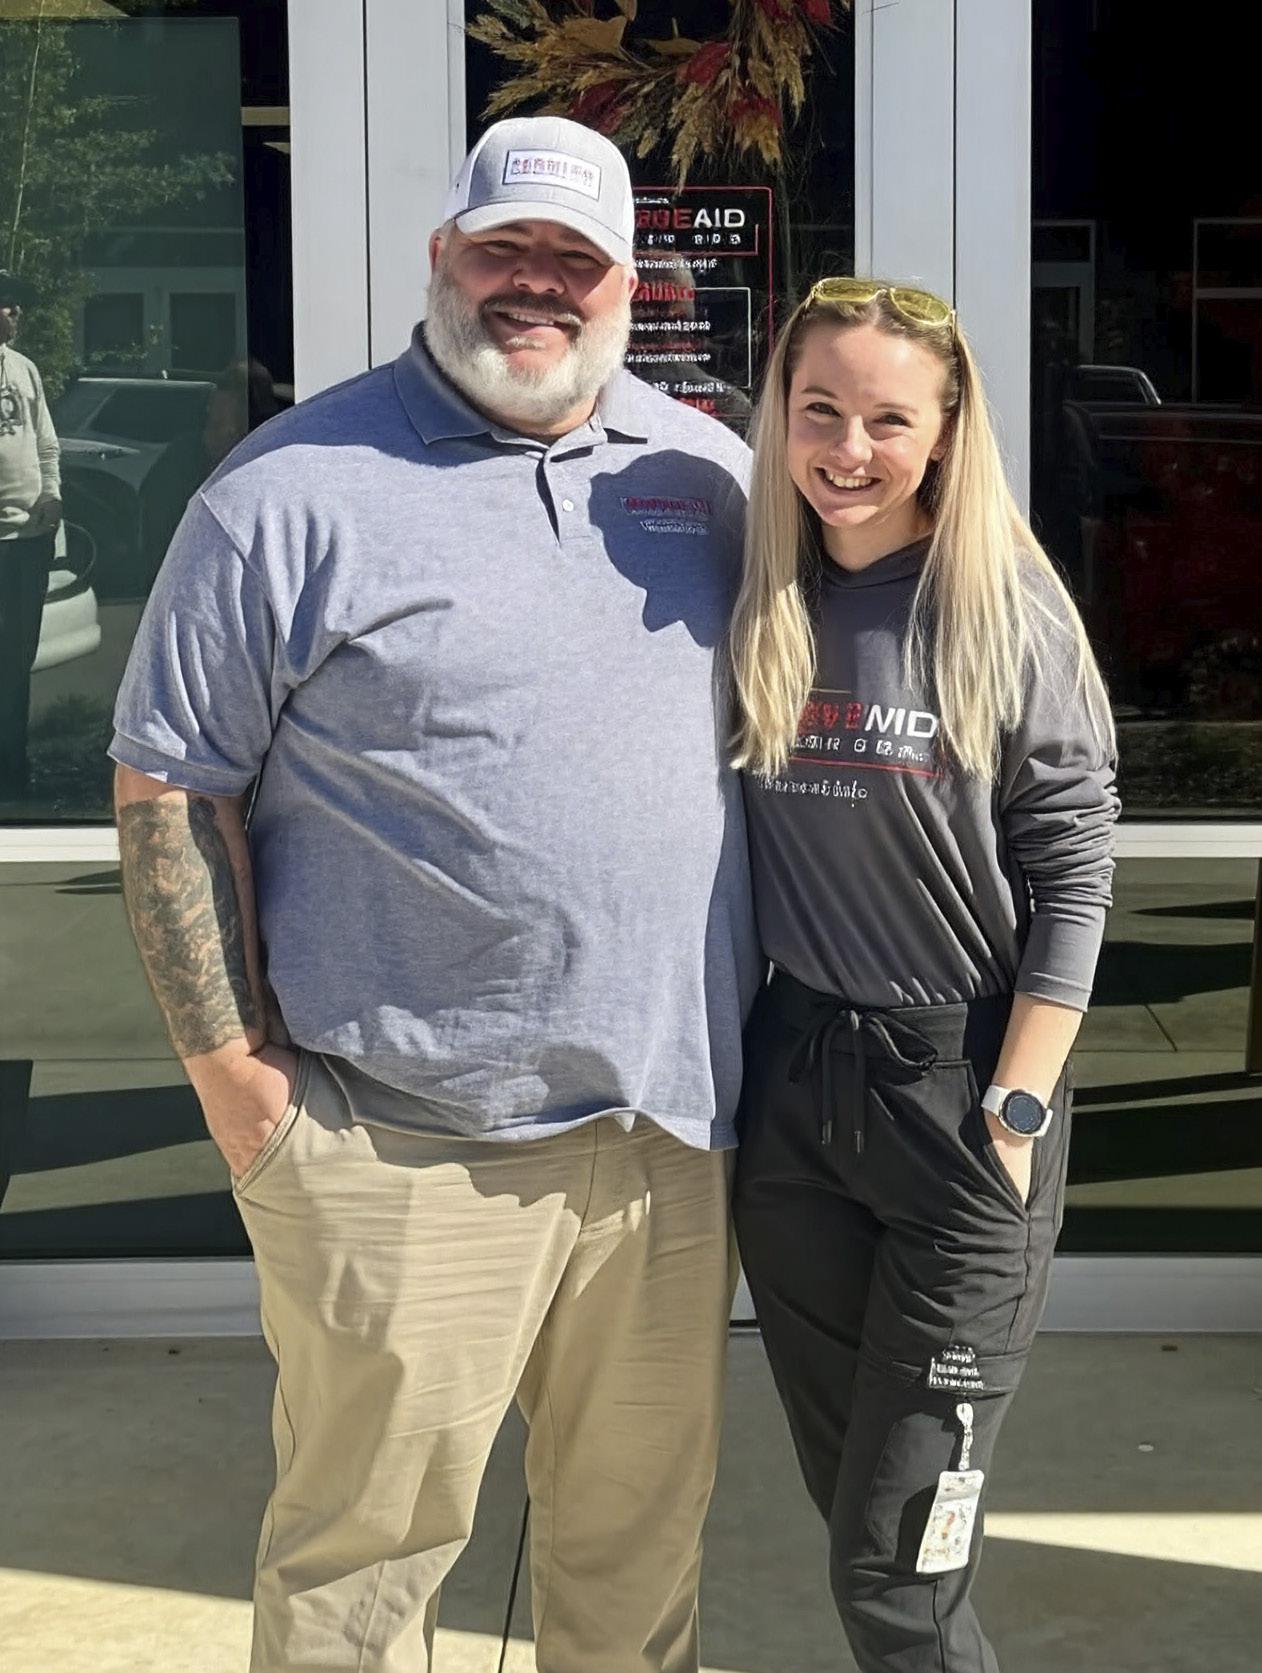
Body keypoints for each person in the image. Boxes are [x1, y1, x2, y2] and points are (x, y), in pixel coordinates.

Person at [109, 116, 760, 1673]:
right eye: (502, 247)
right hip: (399, 1144)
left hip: (666, 1144)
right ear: (442, 256)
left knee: (636, 1558)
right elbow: (169, 787)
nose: (534, 284)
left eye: (572, 259)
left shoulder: (711, 478)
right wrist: (244, 1095)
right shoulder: (290, 490)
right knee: (362, 1578)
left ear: (629, 285)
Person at [728, 277, 1118, 1672]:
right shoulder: (759, 597)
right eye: (818, 409)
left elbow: (1074, 871)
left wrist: (1013, 1110)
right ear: (778, 416)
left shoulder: (1002, 605)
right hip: (792, 1096)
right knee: (853, 1507)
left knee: (898, 1565)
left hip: (957, 1101)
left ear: (946, 431)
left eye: (888, 418)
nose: (848, 447)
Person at [0, 270, 61, 799]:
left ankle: (13, 768)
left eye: (17, 303)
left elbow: (46, 444)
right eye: (6, 303)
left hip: (27, 541)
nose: (15, 312)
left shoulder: (23, 369)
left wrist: (51, 495)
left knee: (16, 662)